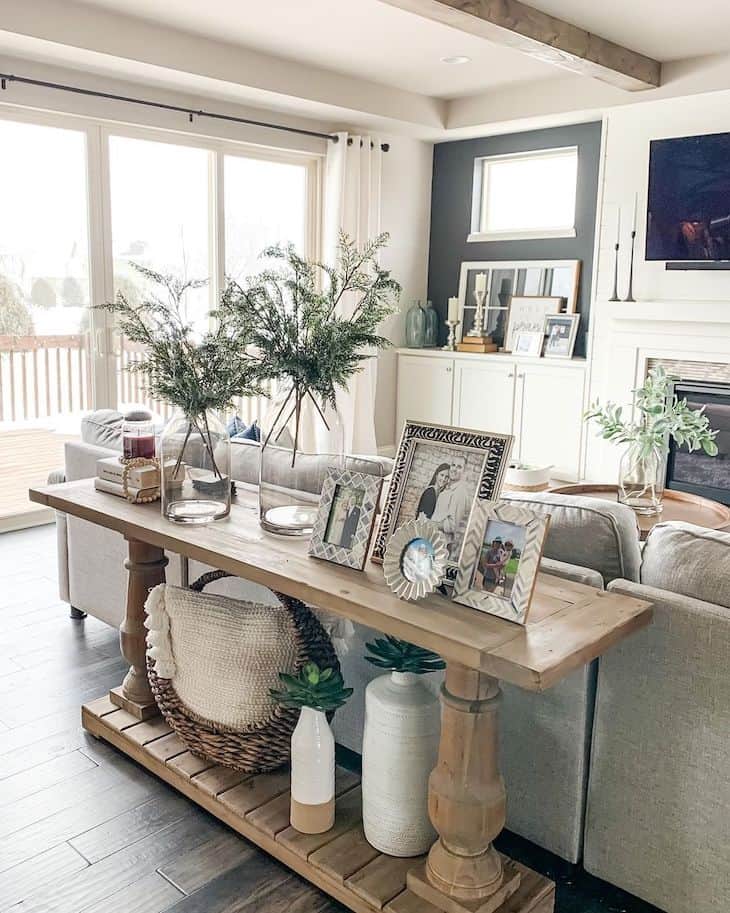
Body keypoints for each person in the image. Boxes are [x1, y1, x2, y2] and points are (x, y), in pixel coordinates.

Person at [431, 455, 472, 560]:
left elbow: (454, 526)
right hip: (433, 539)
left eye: (459, 467)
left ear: (464, 471)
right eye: (453, 465)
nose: (454, 469)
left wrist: (431, 523)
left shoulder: (460, 493)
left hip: (442, 545)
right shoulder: (448, 488)